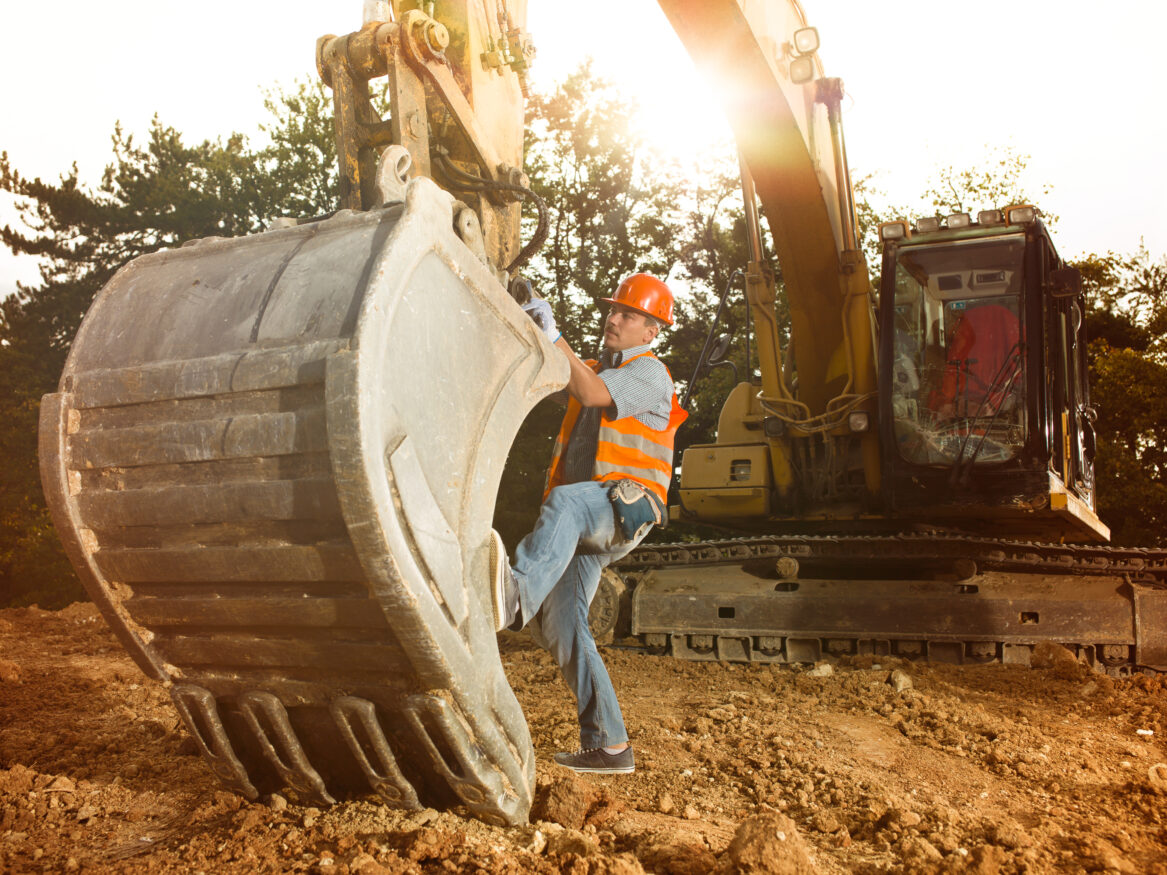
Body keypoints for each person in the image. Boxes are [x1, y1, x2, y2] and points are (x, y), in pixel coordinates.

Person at [490, 273, 687, 774]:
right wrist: (528, 327)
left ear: (651, 332)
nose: (614, 318)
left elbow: (593, 391)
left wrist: (556, 336)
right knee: (563, 625)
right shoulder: (597, 369)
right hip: (588, 516)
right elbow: (560, 378)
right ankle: (610, 745)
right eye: (614, 310)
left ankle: (513, 596)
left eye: (629, 315)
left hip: (622, 508)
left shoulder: (651, 374)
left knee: (567, 504)